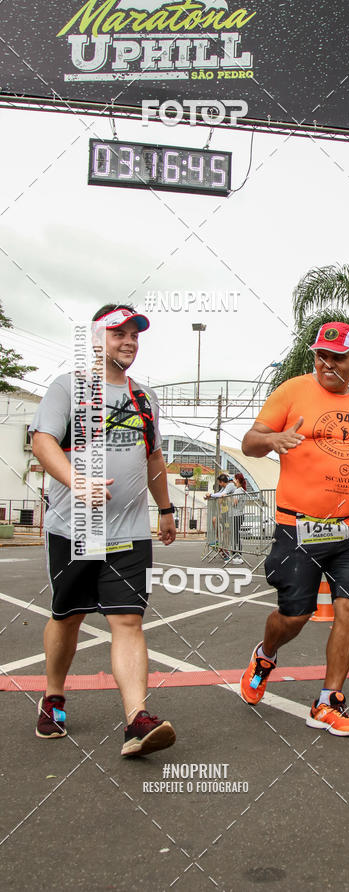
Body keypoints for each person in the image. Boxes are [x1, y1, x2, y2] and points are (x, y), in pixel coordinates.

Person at [240, 322, 349, 736]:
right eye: (320, 355)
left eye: (337, 357)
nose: (326, 363)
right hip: (298, 528)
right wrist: (274, 440)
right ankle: (265, 654)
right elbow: (249, 442)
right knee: (296, 615)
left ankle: (329, 701)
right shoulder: (292, 391)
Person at [30, 304, 177, 757]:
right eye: (119, 334)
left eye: (135, 335)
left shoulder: (145, 397)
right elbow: (42, 441)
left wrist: (166, 508)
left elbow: (153, 458)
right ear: (96, 339)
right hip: (75, 528)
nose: (129, 341)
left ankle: (137, 720)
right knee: (67, 616)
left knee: (128, 620)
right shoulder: (68, 388)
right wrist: (77, 481)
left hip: (130, 532)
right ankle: (53, 695)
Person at [205, 472, 236, 560]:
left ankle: (225, 548)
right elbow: (219, 494)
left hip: (229, 512)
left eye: (219, 482)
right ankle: (218, 541)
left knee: (227, 532)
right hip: (224, 512)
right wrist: (210, 496)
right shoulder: (224, 488)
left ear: (222, 482)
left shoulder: (230, 485)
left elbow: (220, 495)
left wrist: (211, 495)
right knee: (215, 520)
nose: (219, 484)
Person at [229, 472, 247, 565]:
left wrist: (229, 499)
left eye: (235, 479)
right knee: (236, 535)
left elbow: (234, 502)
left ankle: (237, 554)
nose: (233, 481)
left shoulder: (238, 491)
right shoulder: (243, 490)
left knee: (235, 535)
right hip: (240, 514)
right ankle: (237, 554)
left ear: (238, 480)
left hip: (236, 515)